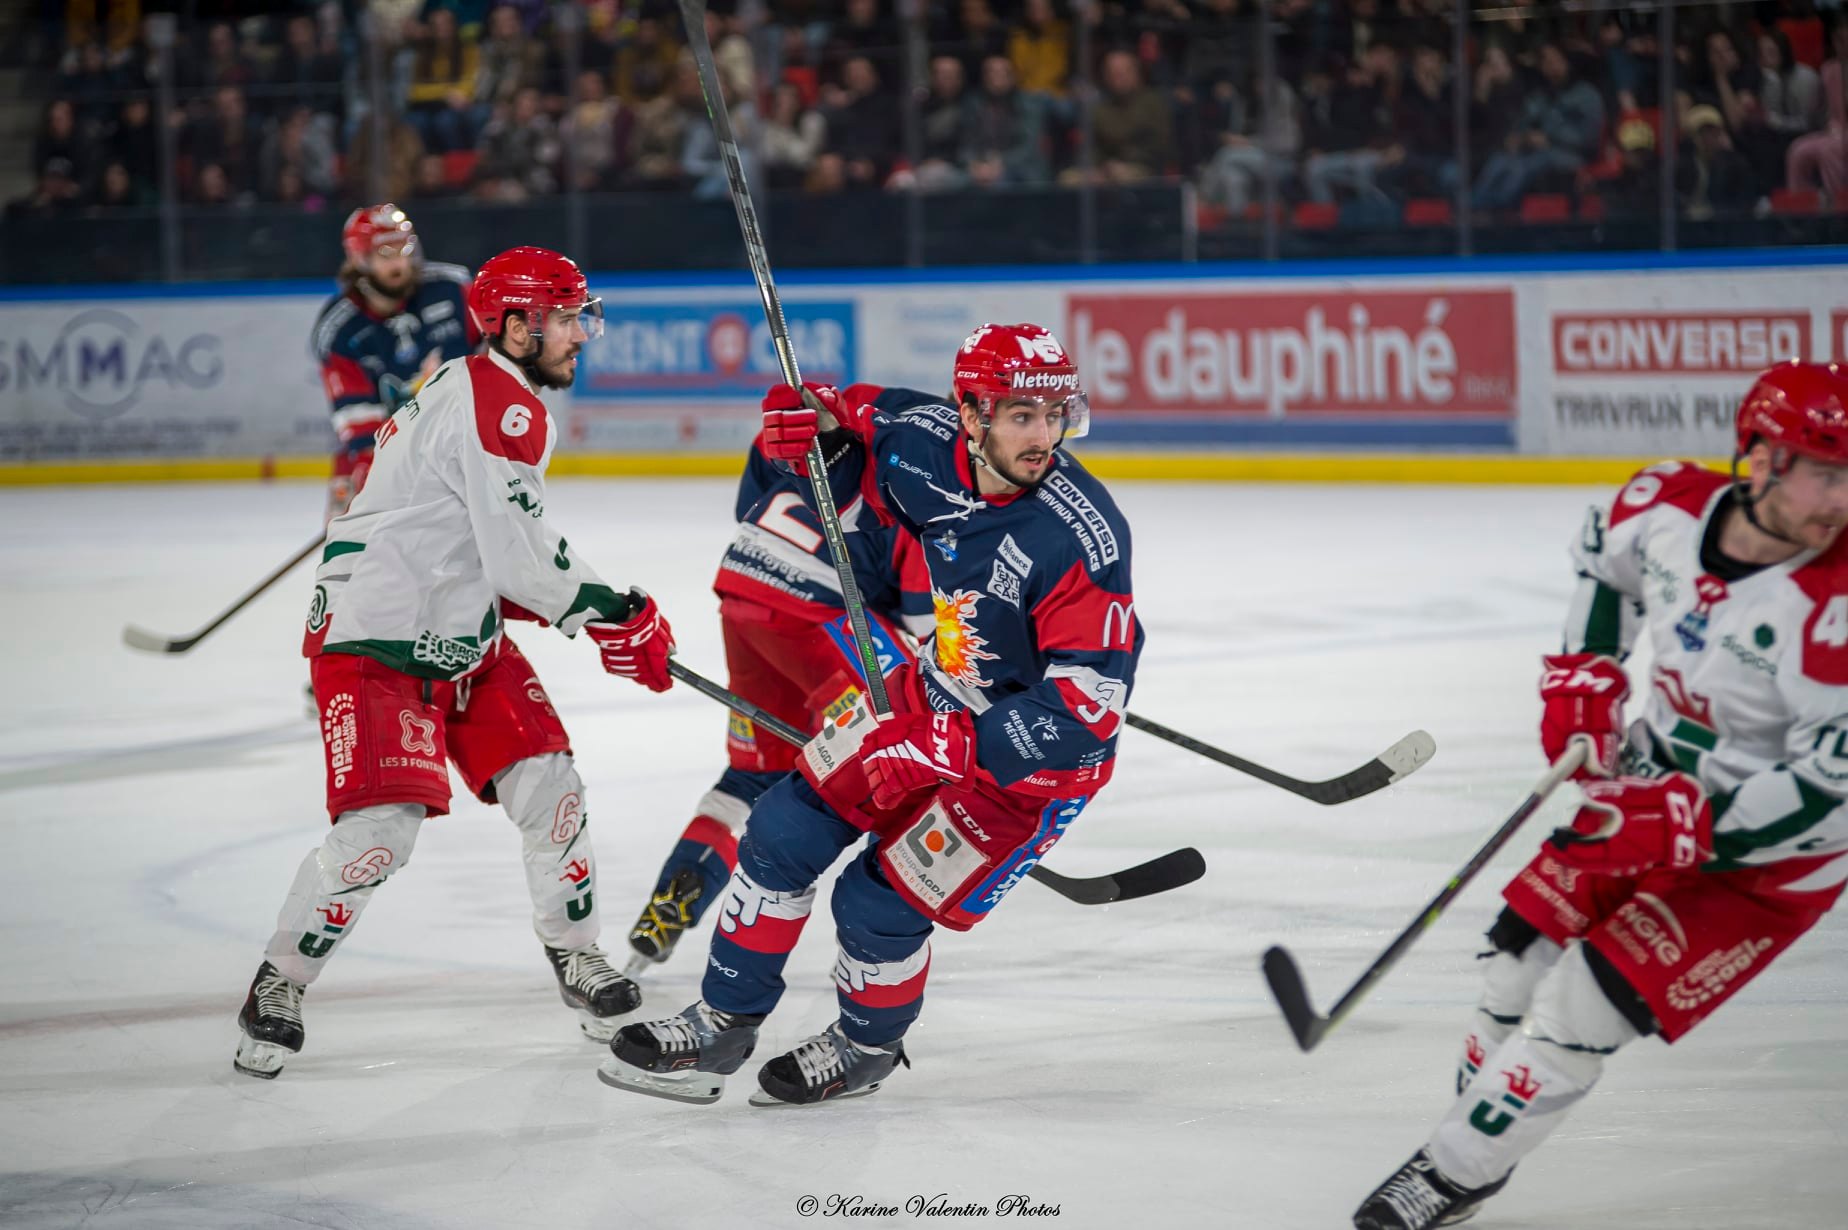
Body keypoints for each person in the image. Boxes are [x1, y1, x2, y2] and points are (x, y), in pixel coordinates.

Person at [1354, 361, 1848, 1228]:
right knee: (1512, 959)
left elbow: (1826, 789)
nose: (1841, 499)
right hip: (1645, 791)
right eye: (1828, 472)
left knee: (1586, 1004)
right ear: (1761, 458)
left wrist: (1685, 823)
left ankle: (1456, 1168)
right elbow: (1609, 580)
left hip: (1765, 868)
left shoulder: (1837, 606)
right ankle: (1480, 1133)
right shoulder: (1663, 503)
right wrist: (1585, 683)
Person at [598, 324, 1142, 1107]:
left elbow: (1084, 715)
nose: (1044, 436)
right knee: (782, 831)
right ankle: (722, 1021)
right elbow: (844, 412)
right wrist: (807, 416)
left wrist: (944, 744)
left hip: (1031, 767)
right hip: (937, 690)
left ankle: (863, 1047)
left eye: (1057, 414)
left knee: (877, 901)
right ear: (971, 413)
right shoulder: (920, 439)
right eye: (1023, 415)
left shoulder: (1082, 537)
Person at [233, 247, 678, 1080]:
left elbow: (476, 545)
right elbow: (519, 555)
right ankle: (278, 984)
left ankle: (577, 959)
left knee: (551, 788)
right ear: (515, 326)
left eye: (585, 314)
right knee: (379, 835)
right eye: (567, 317)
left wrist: (562, 602)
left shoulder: (485, 390)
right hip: (377, 642)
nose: (583, 334)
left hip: (460, 633)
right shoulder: (500, 405)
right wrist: (617, 612)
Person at [621, 417, 931, 972]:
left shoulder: (841, 449)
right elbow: (927, 625)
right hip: (811, 613)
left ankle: (671, 900)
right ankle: (916, 889)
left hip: (742, 592)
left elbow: (751, 504)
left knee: (753, 776)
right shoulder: (929, 492)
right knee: (914, 719)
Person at [312, 204, 477, 524]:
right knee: (349, 552)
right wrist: (375, 478)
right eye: (387, 254)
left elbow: (495, 354)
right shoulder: (338, 328)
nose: (400, 263)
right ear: (361, 258)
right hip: (379, 451)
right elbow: (358, 421)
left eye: (405, 250)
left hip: (456, 448)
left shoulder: (454, 290)